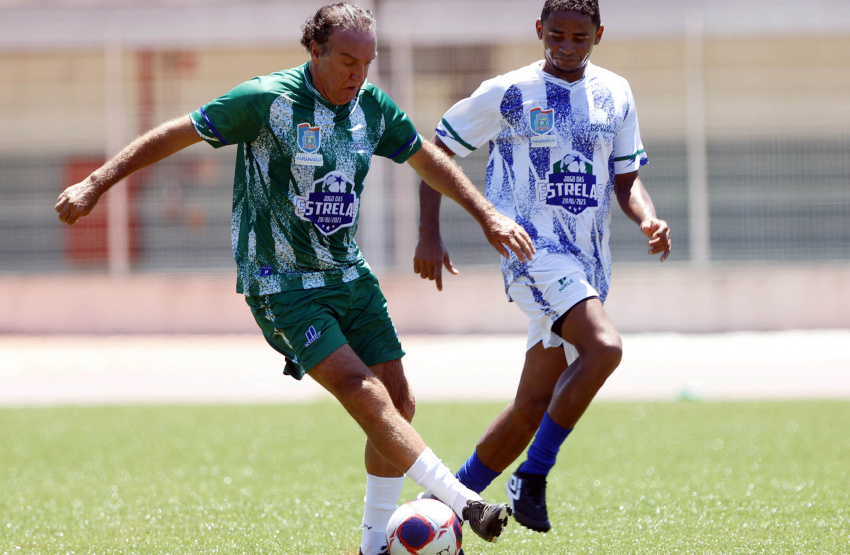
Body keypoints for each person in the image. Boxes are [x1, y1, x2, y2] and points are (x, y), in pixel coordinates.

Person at [55, 4, 534, 554]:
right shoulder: (267, 100)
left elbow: (425, 158)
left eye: (367, 63)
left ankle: (372, 546)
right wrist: (95, 183)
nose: (359, 74)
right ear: (316, 51)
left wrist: (487, 214)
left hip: (348, 273)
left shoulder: (370, 108)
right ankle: (465, 503)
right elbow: (176, 134)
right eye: (348, 61)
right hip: (280, 282)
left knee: (399, 403)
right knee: (366, 393)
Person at [413, 0, 672, 534]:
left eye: (580, 38)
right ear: (539, 31)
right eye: (556, 36)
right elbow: (438, 150)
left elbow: (626, 179)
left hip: (588, 266)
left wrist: (647, 218)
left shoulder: (616, 92)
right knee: (605, 348)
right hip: (531, 253)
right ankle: (532, 475)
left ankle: (438, 511)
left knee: (531, 404)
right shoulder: (509, 92)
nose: (567, 47)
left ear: (599, 34)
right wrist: (429, 233)